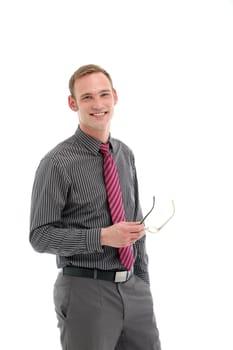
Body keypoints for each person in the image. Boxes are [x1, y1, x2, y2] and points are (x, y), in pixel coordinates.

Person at [29, 64, 161, 350]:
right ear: (72, 103)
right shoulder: (57, 163)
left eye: (103, 94)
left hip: (134, 289)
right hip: (85, 291)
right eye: (87, 97)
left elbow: (134, 223)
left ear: (114, 96)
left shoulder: (124, 154)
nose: (98, 104)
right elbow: (40, 237)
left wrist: (143, 284)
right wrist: (102, 237)